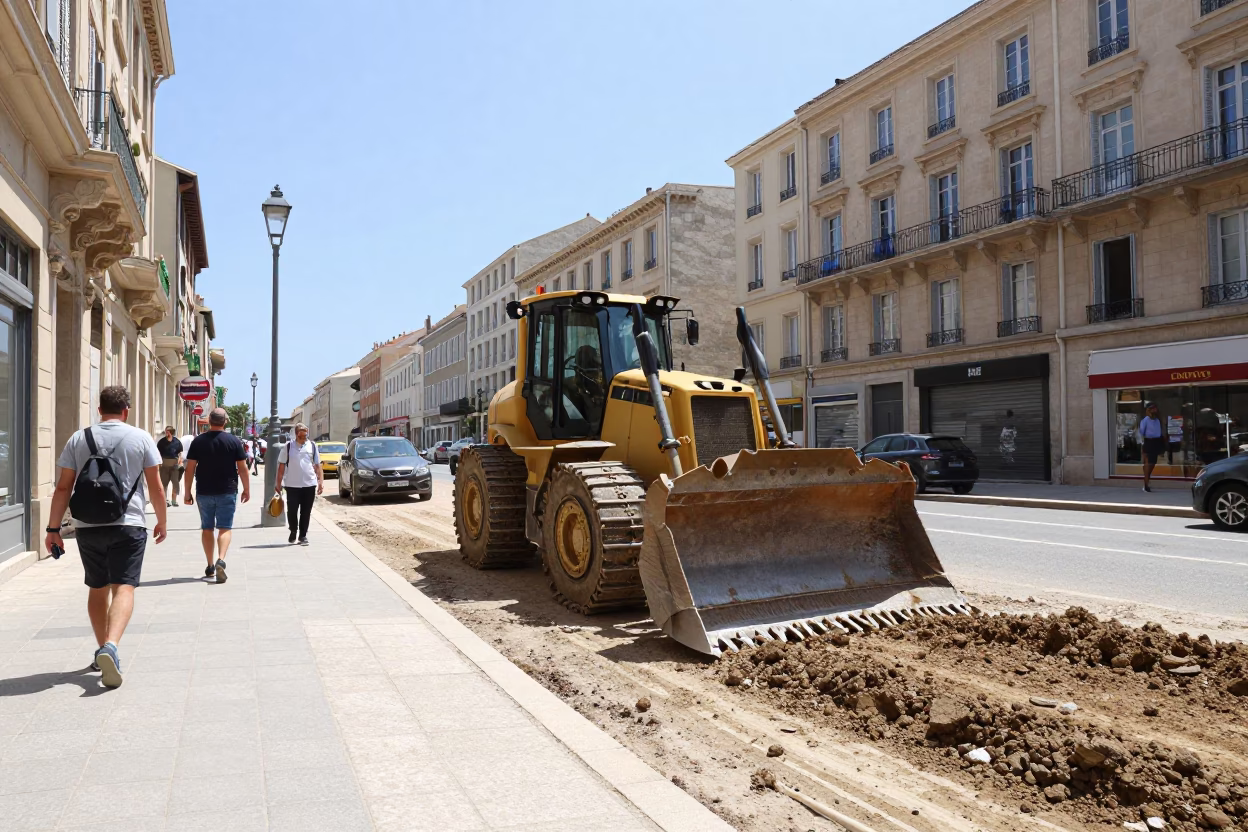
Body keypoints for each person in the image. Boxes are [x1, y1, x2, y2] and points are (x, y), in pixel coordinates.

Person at [44, 386, 166, 688]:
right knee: (124, 587)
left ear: (99, 410)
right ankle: (111, 645)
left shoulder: (79, 438)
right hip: (130, 523)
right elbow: (156, 487)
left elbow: (63, 487)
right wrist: (162, 521)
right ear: (126, 410)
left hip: (87, 525)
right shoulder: (141, 438)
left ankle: (101, 649)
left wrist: (53, 529)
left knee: (97, 587)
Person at [183, 407, 250, 583]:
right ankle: (221, 558)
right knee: (224, 527)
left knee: (207, 528)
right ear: (225, 422)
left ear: (209, 422)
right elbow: (243, 468)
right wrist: (247, 489)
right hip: (227, 490)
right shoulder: (234, 441)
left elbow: (190, 469)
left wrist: (187, 492)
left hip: (204, 491)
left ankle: (210, 565)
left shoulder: (198, 442)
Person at [275, 423, 323, 545]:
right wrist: (278, 483)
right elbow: (281, 466)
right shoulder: (288, 447)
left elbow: (318, 465)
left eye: (306, 435)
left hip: (309, 484)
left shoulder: (312, 446)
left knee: (306, 512)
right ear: (296, 434)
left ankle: (302, 536)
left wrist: (320, 482)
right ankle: (293, 531)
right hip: (292, 485)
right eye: (302, 435)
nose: (304, 438)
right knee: (292, 511)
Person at [1138, 401, 1165, 493]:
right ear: (1149, 410)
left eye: (1155, 408)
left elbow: (1160, 432)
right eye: (1153, 408)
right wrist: (1142, 444)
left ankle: (1148, 479)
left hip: (1156, 442)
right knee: (1148, 463)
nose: (1155, 410)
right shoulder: (1145, 420)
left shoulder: (1157, 420)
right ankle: (1146, 484)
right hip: (1148, 442)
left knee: (1153, 463)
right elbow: (1141, 432)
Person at [155, 425, 183, 507]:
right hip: (164, 464)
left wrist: (179, 460)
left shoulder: (177, 442)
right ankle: (164, 500)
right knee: (164, 483)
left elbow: (180, 452)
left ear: (171, 432)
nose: (166, 432)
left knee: (175, 483)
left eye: (168, 431)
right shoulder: (161, 442)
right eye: (166, 431)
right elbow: (158, 453)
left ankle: (174, 501)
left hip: (175, 465)